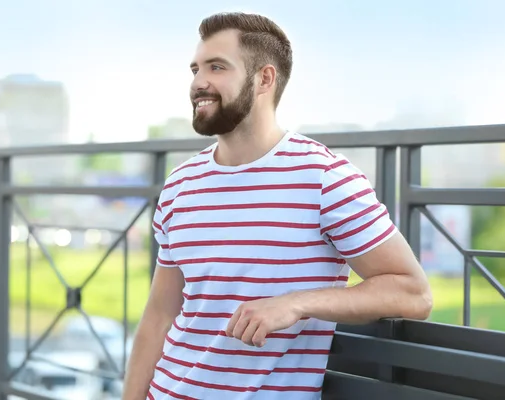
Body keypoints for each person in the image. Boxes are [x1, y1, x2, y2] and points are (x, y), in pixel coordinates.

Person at [123, 11, 433, 400]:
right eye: (195, 68)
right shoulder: (180, 184)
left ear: (264, 78)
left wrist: (297, 304)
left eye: (217, 67)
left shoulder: (325, 178)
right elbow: (159, 316)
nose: (198, 82)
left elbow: (413, 293)